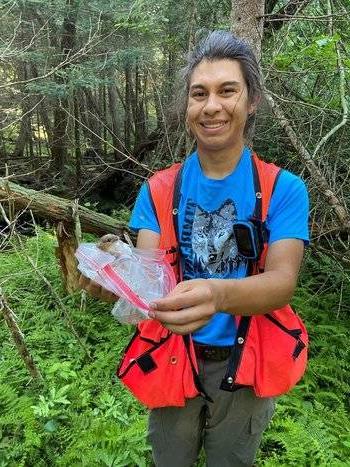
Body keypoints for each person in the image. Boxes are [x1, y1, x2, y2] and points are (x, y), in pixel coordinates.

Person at [80, 30, 309, 467]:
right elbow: (151, 278)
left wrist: (217, 294)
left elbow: (282, 283)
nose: (211, 106)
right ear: (187, 105)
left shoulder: (283, 188)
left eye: (228, 91)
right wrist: (119, 283)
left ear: (252, 99)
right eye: (198, 93)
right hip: (171, 356)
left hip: (247, 360)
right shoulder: (159, 189)